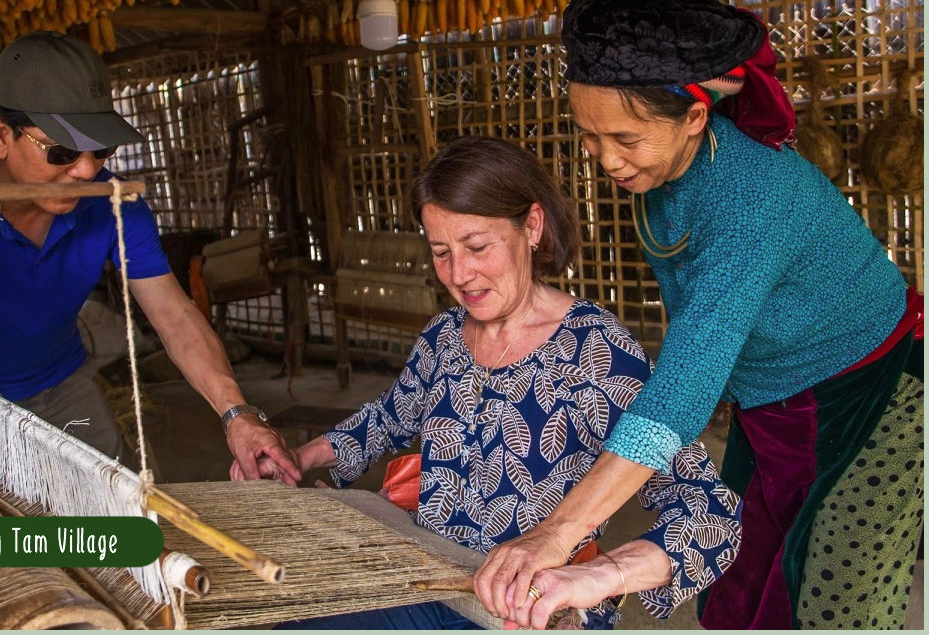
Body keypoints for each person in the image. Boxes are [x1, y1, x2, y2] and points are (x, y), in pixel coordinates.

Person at [487, 0, 924, 630]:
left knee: (828, 599)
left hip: (871, 390)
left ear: (694, 117)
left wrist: (558, 530)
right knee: (738, 587)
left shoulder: (751, 199)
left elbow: (684, 387)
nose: (606, 158)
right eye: (589, 135)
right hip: (771, 397)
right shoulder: (660, 177)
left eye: (625, 138)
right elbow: (695, 344)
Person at [236, 136, 742, 629]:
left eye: (477, 246)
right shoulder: (444, 337)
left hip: (526, 611)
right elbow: (388, 419)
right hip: (430, 578)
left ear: (533, 226)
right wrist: (299, 459)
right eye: (441, 252)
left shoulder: (596, 352)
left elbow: (712, 514)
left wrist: (597, 575)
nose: (460, 274)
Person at [0, 31, 298, 484]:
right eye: (61, 151)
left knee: (129, 518)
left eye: (99, 150)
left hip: (62, 384)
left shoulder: (114, 203)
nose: (85, 171)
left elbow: (175, 317)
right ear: (3, 135)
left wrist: (236, 415)